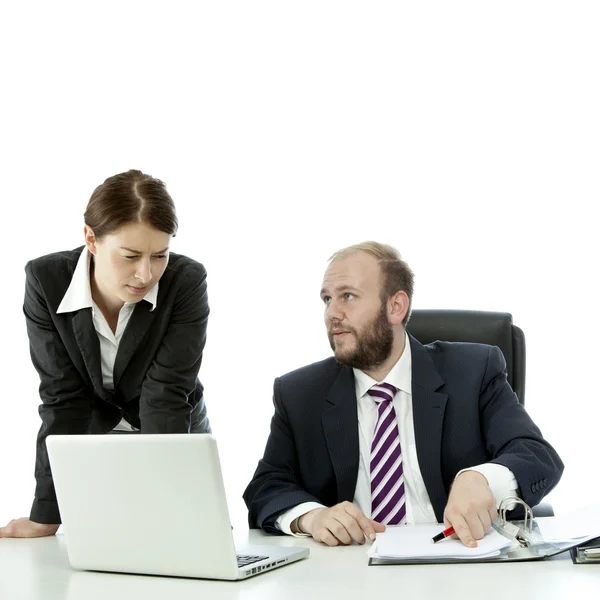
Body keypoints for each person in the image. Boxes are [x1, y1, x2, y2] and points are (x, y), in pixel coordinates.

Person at [243, 242, 564, 547]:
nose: (332, 314)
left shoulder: (472, 370)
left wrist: (481, 478)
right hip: (350, 569)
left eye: (348, 296)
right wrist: (311, 517)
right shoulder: (300, 393)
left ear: (396, 306)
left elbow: (536, 456)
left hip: (458, 558)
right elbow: (266, 486)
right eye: (327, 299)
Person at [0, 170, 211, 539]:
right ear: (91, 239)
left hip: (170, 431)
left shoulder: (186, 282)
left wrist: (172, 504)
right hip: (92, 437)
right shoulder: (46, 281)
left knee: (183, 539)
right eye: (130, 256)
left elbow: (167, 393)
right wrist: (48, 513)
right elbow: (62, 398)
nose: (146, 273)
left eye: (159, 255)